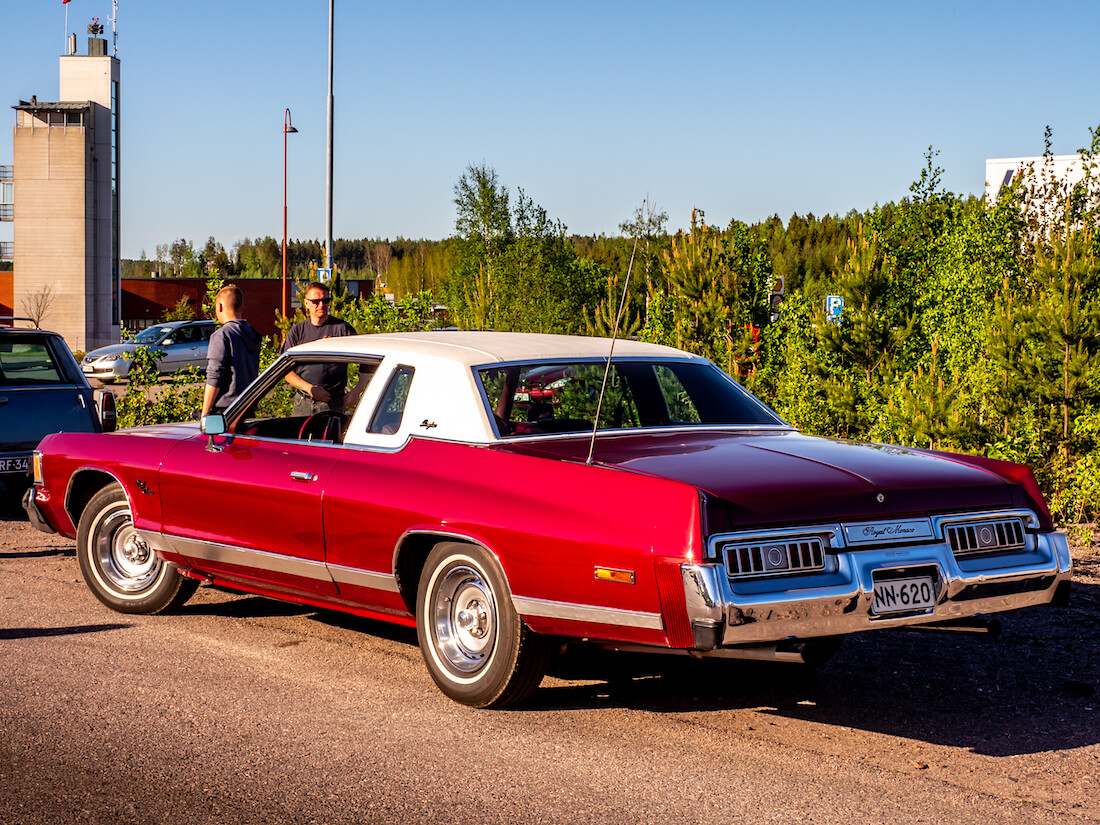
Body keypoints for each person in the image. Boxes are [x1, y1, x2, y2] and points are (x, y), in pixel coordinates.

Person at [282, 282, 357, 415]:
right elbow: (286, 371)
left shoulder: (342, 329)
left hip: (332, 404)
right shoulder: (297, 331)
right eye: (316, 301)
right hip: (302, 403)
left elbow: (369, 363)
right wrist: (310, 389)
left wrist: (357, 391)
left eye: (325, 300)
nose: (321, 305)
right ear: (306, 303)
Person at [201, 284, 263, 417]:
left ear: (220, 307)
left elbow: (215, 376)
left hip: (226, 411)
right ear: (242, 308)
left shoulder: (222, 335)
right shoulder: (254, 335)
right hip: (248, 407)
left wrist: (205, 413)